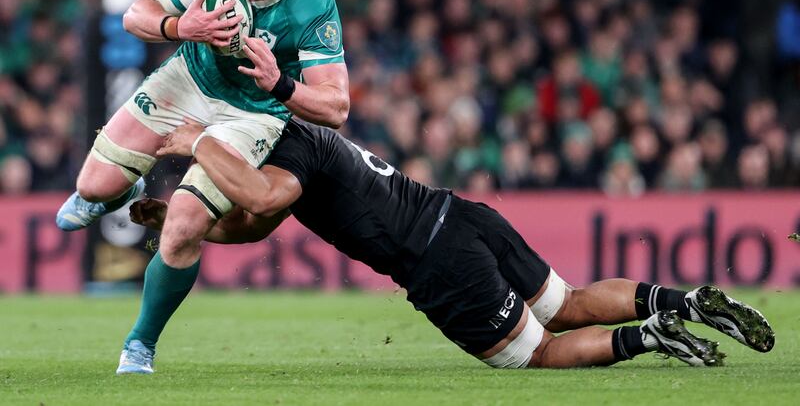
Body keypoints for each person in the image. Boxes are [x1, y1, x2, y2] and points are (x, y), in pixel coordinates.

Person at [125, 119, 775, 373]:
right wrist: (201, 223)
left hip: (439, 262)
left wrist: (197, 143)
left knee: (537, 355)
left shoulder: (284, 153)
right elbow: (260, 221)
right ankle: (683, 301)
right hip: (461, 215)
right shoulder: (303, 141)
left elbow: (262, 202)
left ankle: (654, 335)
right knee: (567, 301)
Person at [53, 0, 350, 373]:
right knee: (91, 188)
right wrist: (179, 25)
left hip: (252, 113)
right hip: (187, 81)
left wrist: (280, 83)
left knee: (184, 223)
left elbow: (336, 107)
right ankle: (119, 185)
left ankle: (139, 344)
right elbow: (134, 16)